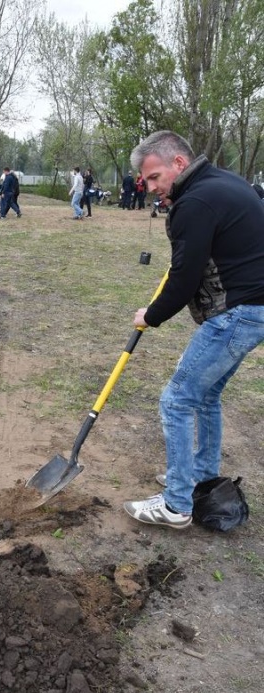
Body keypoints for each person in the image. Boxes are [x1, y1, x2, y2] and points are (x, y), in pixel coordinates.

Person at [123, 130, 264, 529]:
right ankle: (198, 474)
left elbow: (184, 278)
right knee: (206, 395)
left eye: (154, 177)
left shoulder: (195, 202)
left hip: (238, 313)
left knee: (177, 400)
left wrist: (150, 315)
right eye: (146, 181)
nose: (151, 187)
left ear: (179, 163)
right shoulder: (226, 182)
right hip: (255, 309)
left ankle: (176, 504)